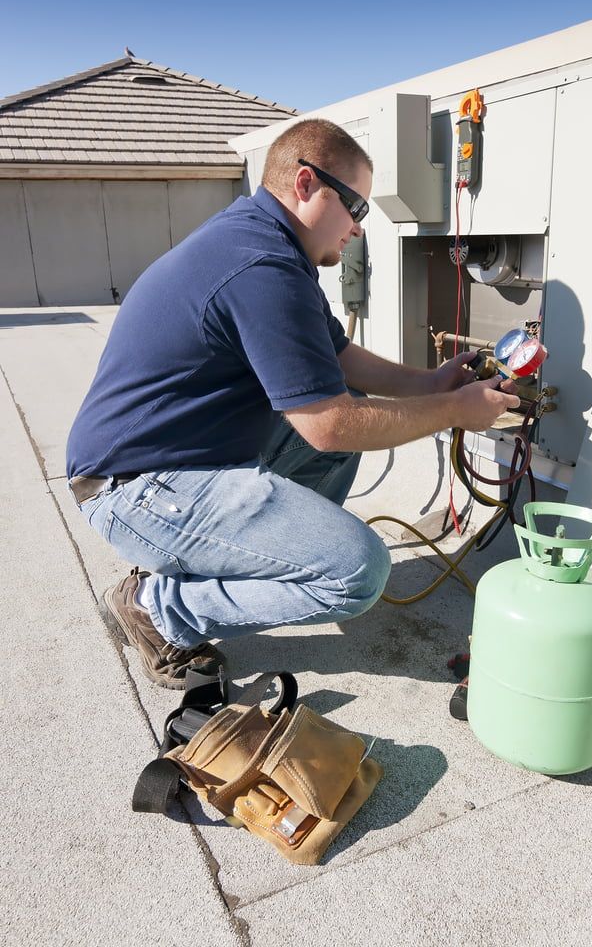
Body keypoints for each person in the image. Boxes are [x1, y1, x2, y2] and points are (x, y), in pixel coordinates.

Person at [66, 118, 519, 689]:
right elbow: (330, 425)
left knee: (343, 423)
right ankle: (160, 609)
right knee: (357, 572)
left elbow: (341, 359)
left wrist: (434, 385)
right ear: (306, 184)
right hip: (135, 490)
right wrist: (458, 411)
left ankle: (231, 561)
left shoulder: (262, 242)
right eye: (354, 205)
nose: (358, 227)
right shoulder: (262, 264)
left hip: (173, 463)